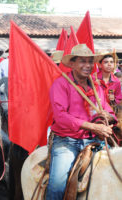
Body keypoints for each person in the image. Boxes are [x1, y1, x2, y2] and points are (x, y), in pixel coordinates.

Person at [46, 44, 116, 200]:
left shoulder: (96, 86)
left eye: (90, 61)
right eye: (82, 61)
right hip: (68, 141)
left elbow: (108, 109)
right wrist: (93, 126)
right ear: (72, 64)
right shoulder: (61, 84)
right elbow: (61, 117)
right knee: (57, 185)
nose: (88, 66)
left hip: (95, 141)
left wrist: (109, 117)